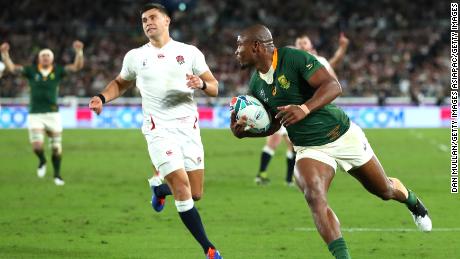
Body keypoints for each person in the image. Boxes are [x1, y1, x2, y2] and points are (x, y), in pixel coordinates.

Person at [231, 24, 431, 259]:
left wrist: (304, 108)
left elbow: (333, 86)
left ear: (256, 46)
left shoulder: (293, 58)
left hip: (342, 134)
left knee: (384, 190)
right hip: (309, 148)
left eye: (239, 45)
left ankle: (413, 202)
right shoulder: (256, 84)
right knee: (314, 196)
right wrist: (245, 133)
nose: (236, 51)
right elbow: (274, 124)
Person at [88, 3, 222, 258]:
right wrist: (102, 98)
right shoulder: (136, 56)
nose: (147, 22)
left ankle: (160, 189)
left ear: (167, 21)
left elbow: (215, 87)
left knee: (195, 193)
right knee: (182, 188)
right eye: (143, 20)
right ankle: (209, 248)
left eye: (152, 18)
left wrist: (202, 83)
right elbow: (120, 83)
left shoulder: (189, 52)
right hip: (158, 130)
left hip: (189, 129)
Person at [255, 33, 349, 186]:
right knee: (274, 141)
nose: (302, 45)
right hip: (284, 107)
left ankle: (289, 178)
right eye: (299, 44)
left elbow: (333, 79)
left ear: (311, 45)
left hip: (305, 111)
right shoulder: (291, 61)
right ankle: (263, 174)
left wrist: (343, 47)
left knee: (294, 145)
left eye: (305, 42)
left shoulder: (319, 62)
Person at [0, 40, 84, 186]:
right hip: (35, 114)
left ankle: (57, 175)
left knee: (56, 148)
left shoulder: (58, 71)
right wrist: (5, 54)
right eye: (43, 55)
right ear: (39, 58)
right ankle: (42, 160)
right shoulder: (31, 71)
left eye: (48, 55)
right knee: (37, 146)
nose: (45, 57)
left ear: (52, 59)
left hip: (53, 114)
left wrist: (79, 52)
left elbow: (77, 67)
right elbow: (12, 68)